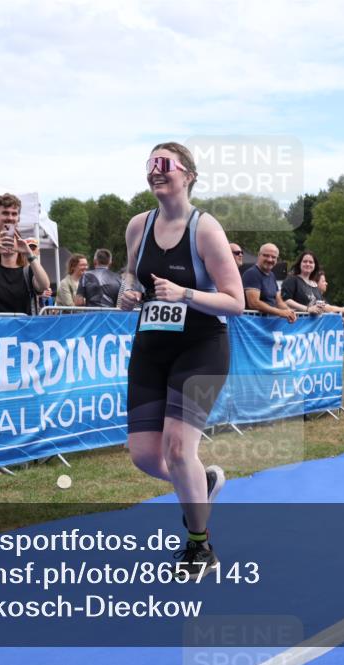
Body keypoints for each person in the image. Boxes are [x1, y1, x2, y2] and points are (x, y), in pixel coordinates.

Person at [118, 142, 244, 577]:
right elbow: (129, 277)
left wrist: (185, 293)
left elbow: (236, 301)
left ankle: (199, 545)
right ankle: (202, 483)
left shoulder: (206, 229)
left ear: (188, 174)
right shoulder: (137, 225)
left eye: (164, 165)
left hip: (202, 346)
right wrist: (127, 295)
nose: (156, 172)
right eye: (150, 165)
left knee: (177, 448)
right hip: (152, 345)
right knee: (145, 457)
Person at [242, 243, 296, 323]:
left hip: (269, 326)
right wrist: (280, 312)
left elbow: (279, 301)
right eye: (266, 255)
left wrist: (289, 312)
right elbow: (254, 303)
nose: (270, 259)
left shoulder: (272, 275)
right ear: (259, 255)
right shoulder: (252, 273)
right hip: (254, 326)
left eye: (273, 257)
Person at [280, 251, 344, 316]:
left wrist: (340, 314)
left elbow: (323, 307)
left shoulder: (315, 285)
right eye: (305, 261)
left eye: (311, 262)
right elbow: (285, 300)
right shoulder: (292, 280)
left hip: (315, 325)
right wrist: (307, 309)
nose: (308, 264)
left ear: (314, 265)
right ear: (300, 264)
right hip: (297, 323)